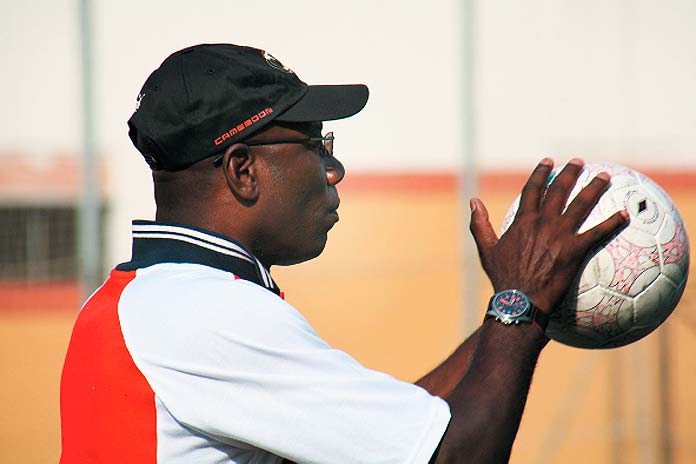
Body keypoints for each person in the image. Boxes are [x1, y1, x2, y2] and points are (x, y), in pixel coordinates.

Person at [59, 43, 629, 464]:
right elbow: (454, 457)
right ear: (242, 170)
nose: (334, 169)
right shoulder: (207, 313)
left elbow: (404, 432)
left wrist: (534, 303)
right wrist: (518, 304)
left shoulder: (143, 297)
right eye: (314, 144)